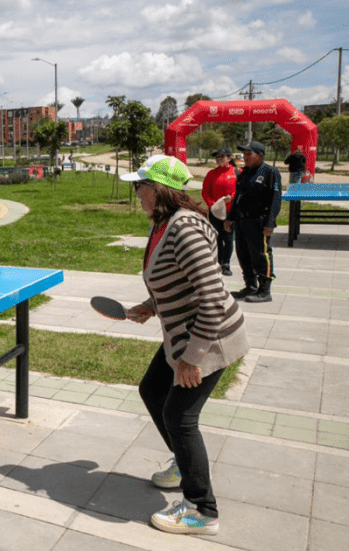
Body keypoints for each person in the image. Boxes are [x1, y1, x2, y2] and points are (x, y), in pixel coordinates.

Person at [120, 155, 250, 536]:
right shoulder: (164, 223)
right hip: (182, 335)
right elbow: (179, 281)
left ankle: (202, 509)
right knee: (152, 390)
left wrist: (193, 360)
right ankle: (183, 463)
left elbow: (210, 297)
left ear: (157, 190)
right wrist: (151, 305)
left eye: (140, 186)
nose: (137, 192)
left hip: (208, 340)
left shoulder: (185, 229)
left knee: (180, 416)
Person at [224, 140, 282, 303]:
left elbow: (275, 200)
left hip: (259, 221)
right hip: (242, 221)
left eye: (249, 154)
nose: (245, 157)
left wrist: (270, 222)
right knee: (244, 255)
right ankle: (250, 286)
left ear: (260, 155)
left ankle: (264, 290)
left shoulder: (270, 173)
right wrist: (230, 217)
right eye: (244, 154)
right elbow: (238, 199)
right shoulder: (244, 173)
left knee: (260, 255)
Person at [201, 147, 237, 276]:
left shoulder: (237, 172)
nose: (218, 159)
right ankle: (218, 262)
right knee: (217, 237)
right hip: (215, 212)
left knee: (228, 238)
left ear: (229, 158)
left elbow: (240, 189)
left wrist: (231, 198)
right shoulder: (211, 174)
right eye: (217, 157)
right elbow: (205, 192)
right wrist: (212, 204)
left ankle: (226, 264)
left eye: (222, 156)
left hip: (230, 212)